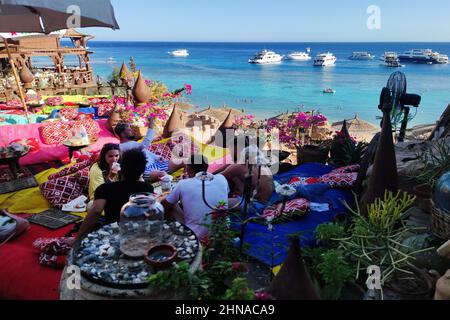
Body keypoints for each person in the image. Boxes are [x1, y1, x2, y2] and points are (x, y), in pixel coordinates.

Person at [77, 149, 154, 240]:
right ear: (142, 170)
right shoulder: (147, 187)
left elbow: (96, 211)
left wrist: (78, 238)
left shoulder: (105, 189)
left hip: (114, 234)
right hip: (140, 231)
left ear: (121, 167)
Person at [162, 154, 229, 239]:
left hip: (195, 236)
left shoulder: (183, 184)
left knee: (171, 204)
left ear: (188, 168)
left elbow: (164, 205)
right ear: (207, 167)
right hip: (222, 232)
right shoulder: (222, 178)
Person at [114, 117, 184, 181]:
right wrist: (151, 126)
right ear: (122, 134)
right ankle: (174, 187)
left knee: (185, 161)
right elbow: (145, 143)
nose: (132, 131)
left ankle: (187, 178)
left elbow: (146, 152)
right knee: (162, 174)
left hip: (157, 164)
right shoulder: (122, 146)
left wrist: (157, 157)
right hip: (144, 170)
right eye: (129, 130)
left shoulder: (133, 143)